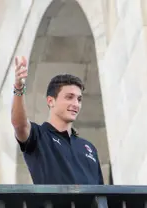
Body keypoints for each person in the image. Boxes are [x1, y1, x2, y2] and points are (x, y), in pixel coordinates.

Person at [11, 56, 104, 184]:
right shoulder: (38, 136)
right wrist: (18, 87)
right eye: (69, 97)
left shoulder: (89, 148)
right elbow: (19, 124)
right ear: (51, 101)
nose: (76, 104)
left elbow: (101, 192)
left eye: (79, 99)